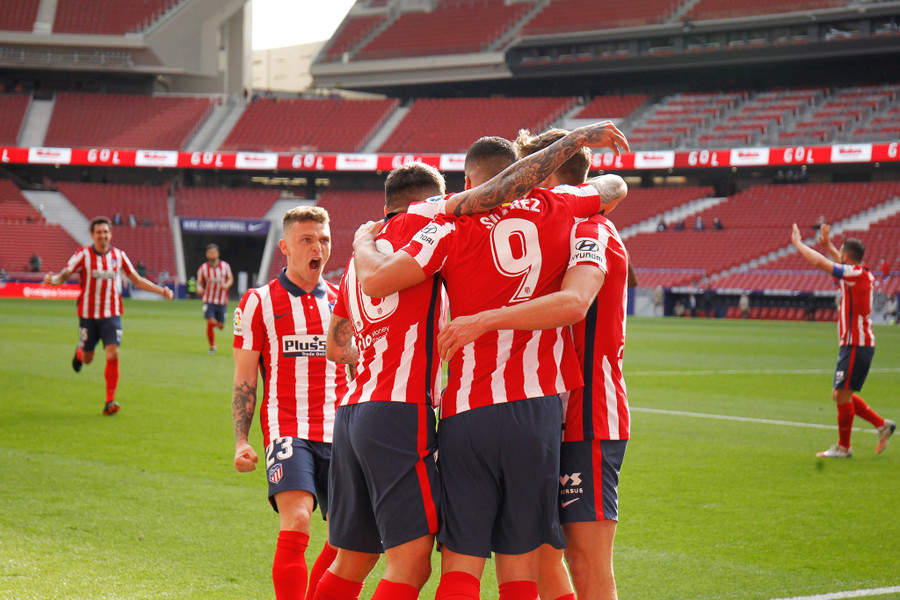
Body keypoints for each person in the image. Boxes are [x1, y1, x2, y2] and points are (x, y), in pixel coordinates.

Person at [321, 123, 628, 600]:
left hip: (461, 410)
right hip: (537, 406)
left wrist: (362, 241)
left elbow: (376, 287)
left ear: (470, 183)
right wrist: (580, 144)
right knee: (524, 569)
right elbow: (611, 188)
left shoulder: (444, 221)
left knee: (457, 569)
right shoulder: (562, 209)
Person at [232, 206, 349, 600]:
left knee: (347, 539)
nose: (319, 247)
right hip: (288, 429)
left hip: (341, 431)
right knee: (298, 519)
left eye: (324, 239)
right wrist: (240, 440)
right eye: (307, 239)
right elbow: (246, 377)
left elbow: (355, 368)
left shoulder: (342, 302)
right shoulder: (258, 302)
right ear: (285, 247)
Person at [43, 216, 174, 415]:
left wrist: (161, 291)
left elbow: (136, 280)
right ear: (92, 235)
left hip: (111, 314)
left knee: (113, 352)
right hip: (88, 314)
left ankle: (109, 401)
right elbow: (64, 275)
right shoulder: (83, 255)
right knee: (88, 358)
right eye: (99, 233)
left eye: (106, 232)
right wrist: (52, 281)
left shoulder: (119, 256)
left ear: (110, 234)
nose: (103, 236)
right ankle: (80, 352)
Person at [790, 223, 895, 457]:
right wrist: (828, 244)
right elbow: (840, 263)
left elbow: (822, 264)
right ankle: (882, 425)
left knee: (842, 394)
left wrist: (798, 243)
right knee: (839, 394)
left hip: (856, 344)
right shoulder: (861, 272)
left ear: (848, 257)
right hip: (857, 343)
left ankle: (844, 447)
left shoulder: (853, 273)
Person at [197, 243, 234, 354]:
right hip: (209, 300)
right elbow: (199, 282)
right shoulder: (203, 268)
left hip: (222, 300)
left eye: (214, 252)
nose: (212, 254)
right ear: (207, 254)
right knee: (210, 322)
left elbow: (230, 279)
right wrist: (199, 288)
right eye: (209, 252)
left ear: (218, 253)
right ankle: (212, 347)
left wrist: (227, 285)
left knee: (221, 326)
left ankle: (218, 322)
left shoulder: (225, 266)